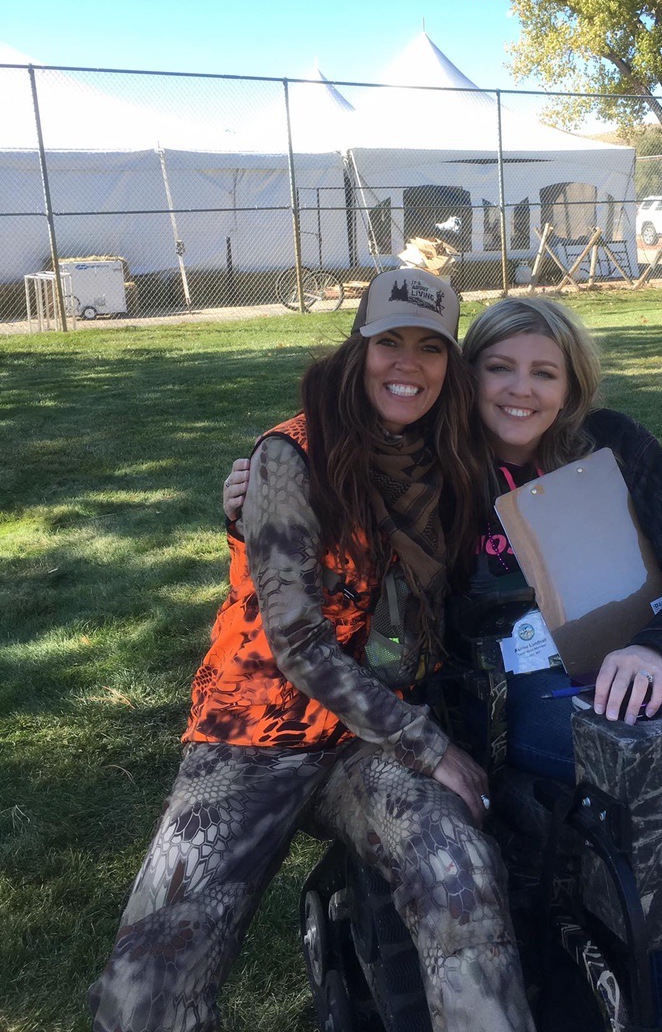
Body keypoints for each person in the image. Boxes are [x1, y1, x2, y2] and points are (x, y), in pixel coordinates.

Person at [223, 296, 662, 1024]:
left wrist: (657, 650)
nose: (520, 390)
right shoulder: (428, 467)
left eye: (543, 373)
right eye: (498, 368)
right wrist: (249, 492)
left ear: (572, 385)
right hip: (519, 693)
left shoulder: (610, 444)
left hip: (659, 661)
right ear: (468, 379)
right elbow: (320, 504)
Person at [90, 268, 536, 1032]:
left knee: (460, 877)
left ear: (448, 365)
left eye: (429, 348)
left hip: (365, 744)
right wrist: (431, 747)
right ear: (357, 347)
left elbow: (543, 430)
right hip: (255, 738)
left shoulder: (447, 457)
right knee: (145, 993)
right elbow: (296, 640)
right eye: (388, 341)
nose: (407, 364)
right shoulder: (290, 457)